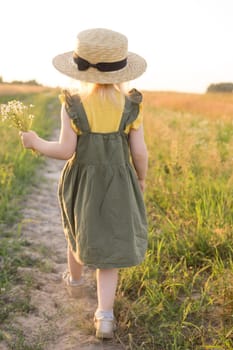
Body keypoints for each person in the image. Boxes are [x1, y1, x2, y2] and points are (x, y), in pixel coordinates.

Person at [20, 28, 148, 340]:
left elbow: (65, 151)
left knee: (78, 231)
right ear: (121, 69)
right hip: (119, 181)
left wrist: (36, 142)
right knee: (112, 248)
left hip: (83, 180)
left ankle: (75, 284)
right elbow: (140, 152)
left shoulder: (73, 104)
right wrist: (141, 178)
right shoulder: (131, 105)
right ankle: (104, 315)